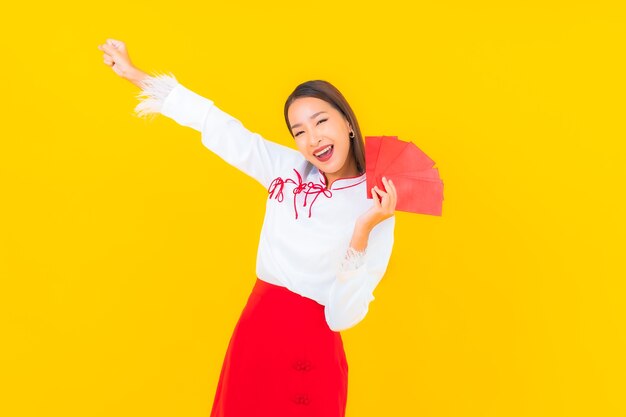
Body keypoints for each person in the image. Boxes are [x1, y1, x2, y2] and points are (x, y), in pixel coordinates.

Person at [98, 38, 398, 417]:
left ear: (348, 123)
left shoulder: (376, 204)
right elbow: (221, 127)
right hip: (257, 335)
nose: (313, 138)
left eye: (321, 121)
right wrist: (135, 75)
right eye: (299, 130)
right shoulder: (286, 169)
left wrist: (363, 230)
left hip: (312, 350)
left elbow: (342, 316)